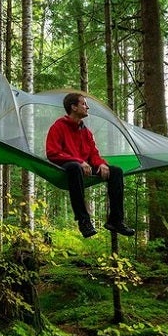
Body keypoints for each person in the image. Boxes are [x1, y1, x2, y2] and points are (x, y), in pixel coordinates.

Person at [45, 92, 135, 238]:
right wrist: (79, 161)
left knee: (116, 171)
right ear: (74, 107)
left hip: (85, 167)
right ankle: (83, 221)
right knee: (75, 167)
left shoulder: (86, 132)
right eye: (84, 104)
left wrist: (101, 164)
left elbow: (93, 154)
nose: (87, 107)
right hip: (65, 167)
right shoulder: (58, 127)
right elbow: (52, 153)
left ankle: (115, 221)